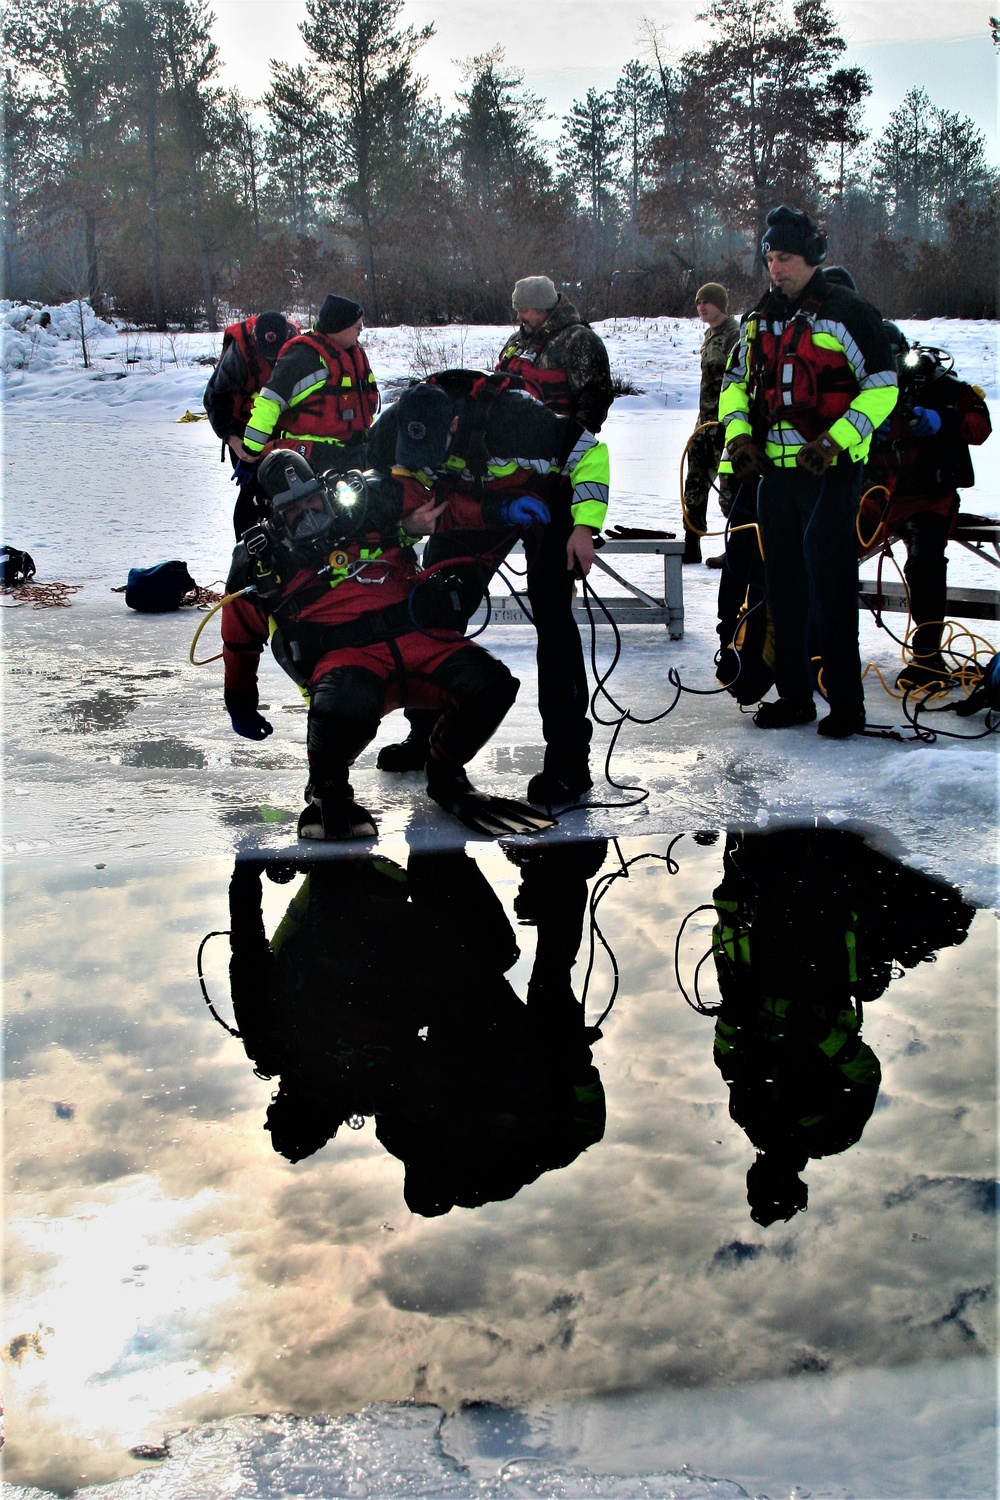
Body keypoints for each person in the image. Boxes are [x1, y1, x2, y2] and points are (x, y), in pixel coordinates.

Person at [226, 840, 607, 1208]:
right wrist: (245, 877)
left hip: (429, 971)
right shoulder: (285, 1055)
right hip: (430, 977)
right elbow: (247, 959)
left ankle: (437, 850)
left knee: (516, 969)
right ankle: (430, 851)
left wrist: (574, 1065)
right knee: (519, 975)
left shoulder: (390, 1115)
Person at [219, 437, 555, 842]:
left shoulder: (366, 501)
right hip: (345, 656)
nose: (307, 514)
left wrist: (498, 510)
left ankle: (446, 774)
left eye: (311, 501)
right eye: (292, 510)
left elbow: (442, 509)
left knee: (492, 685)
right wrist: (240, 702)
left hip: (415, 635)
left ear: (322, 490)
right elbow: (239, 637)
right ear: (274, 514)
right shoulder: (261, 559)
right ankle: (328, 792)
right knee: (339, 708)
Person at [369, 367, 611, 808]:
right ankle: (425, 735)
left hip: (545, 504)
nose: (423, 463)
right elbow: (375, 497)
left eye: (432, 453)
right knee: (433, 609)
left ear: (455, 427)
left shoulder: (517, 419)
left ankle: (570, 763)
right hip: (471, 505)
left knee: (554, 620)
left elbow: (592, 453)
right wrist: (406, 523)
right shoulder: (391, 431)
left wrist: (585, 528)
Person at [709, 827, 973, 1225]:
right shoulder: (832, 1135)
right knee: (826, 879)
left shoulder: (749, 1116)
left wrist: (732, 1017)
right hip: (822, 984)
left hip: (763, 970)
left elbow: (725, 1059)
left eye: (757, 1182)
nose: (761, 1174)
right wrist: (821, 1036)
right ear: (792, 1183)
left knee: (772, 865)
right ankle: (832, 823)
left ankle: (778, 814)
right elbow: (865, 1076)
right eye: (767, 1184)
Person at [719, 205, 898, 738]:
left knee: (832, 589)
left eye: (787, 258)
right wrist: (739, 437)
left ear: (812, 258)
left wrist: (835, 442)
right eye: (771, 258)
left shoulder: (848, 313)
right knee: (784, 589)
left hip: (829, 475)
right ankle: (794, 696)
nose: (777, 268)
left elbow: (884, 386)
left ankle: (847, 705)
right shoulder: (758, 319)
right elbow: (734, 386)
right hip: (776, 477)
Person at [862, 326, 992, 690]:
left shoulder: (935, 381)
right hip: (874, 498)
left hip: (927, 498)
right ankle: (820, 647)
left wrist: (943, 420)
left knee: (926, 560)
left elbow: (981, 425)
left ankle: (928, 657)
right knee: (826, 553)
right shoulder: (855, 380)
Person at [242, 294, 378, 478]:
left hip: (354, 451)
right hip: (315, 456)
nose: (360, 331)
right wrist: (250, 450)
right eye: (357, 326)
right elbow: (269, 402)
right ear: (340, 328)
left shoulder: (353, 353)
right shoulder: (305, 358)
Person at [203, 310, 297, 536]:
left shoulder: (298, 346)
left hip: (280, 423)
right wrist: (233, 441)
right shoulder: (238, 354)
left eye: (276, 355)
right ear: (255, 339)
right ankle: (246, 549)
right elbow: (214, 399)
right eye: (267, 355)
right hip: (241, 425)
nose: (272, 359)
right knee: (252, 490)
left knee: (288, 486)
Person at [496, 275, 614, 432]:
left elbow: (595, 399)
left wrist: (572, 441)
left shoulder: (579, 340)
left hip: (558, 447)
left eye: (524, 311)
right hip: (512, 445)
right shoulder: (517, 341)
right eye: (517, 311)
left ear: (543, 310)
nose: (519, 317)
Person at [684, 282, 739, 565]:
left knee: (730, 489)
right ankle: (691, 543)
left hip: (729, 423)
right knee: (694, 483)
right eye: (698, 302)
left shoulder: (735, 335)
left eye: (707, 302)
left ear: (721, 304)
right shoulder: (710, 334)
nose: (702, 307)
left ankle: (740, 547)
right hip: (704, 421)